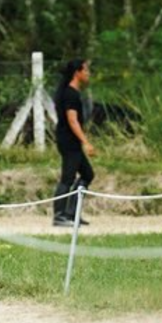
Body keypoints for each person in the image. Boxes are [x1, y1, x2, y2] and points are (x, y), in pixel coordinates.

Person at [52, 58, 95, 227]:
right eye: (86, 70)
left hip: (72, 141)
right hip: (69, 141)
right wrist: (86, 141)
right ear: (77, 72)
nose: (88, 74)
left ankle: (72, 213)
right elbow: (72, 120)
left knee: (87, 174)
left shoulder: (72, 93)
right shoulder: (70, 94)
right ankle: (60, 215)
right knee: (67, 178)